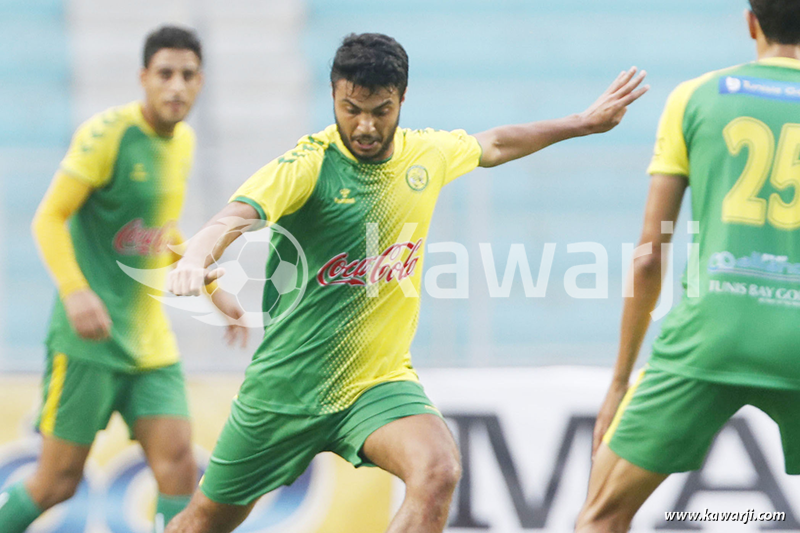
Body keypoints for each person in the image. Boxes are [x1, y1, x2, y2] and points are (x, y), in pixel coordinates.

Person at [165, 33, 647, 533]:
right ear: (333, 95)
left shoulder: (425, 157)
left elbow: (498, 142)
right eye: (351, 109)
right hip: (285, 390)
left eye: (382, 109)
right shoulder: (309, 164)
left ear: (402, 99)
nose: (366, 125)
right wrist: (198, 254)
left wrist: (583, 123)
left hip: (376, 385)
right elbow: (236, 215)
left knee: (438, 469)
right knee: (203, 521)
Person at [0, 26, 247, 533]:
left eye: (188, 75)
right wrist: (76, 292)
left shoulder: (183, 142)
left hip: (149, 346)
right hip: (88, 343)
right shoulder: (107, 134)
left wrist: (210, 285)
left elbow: (161, 232)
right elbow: (48, 218)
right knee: (56, 483)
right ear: (143, 78)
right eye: (165, 74)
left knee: (179, 466)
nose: (176, 86)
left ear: (201, 82)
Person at [575, 1, 800, 531]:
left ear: (751, 23)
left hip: (711, 333)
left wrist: (619, 382)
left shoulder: (697, 97)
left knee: (601, 514)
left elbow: (651, 252)